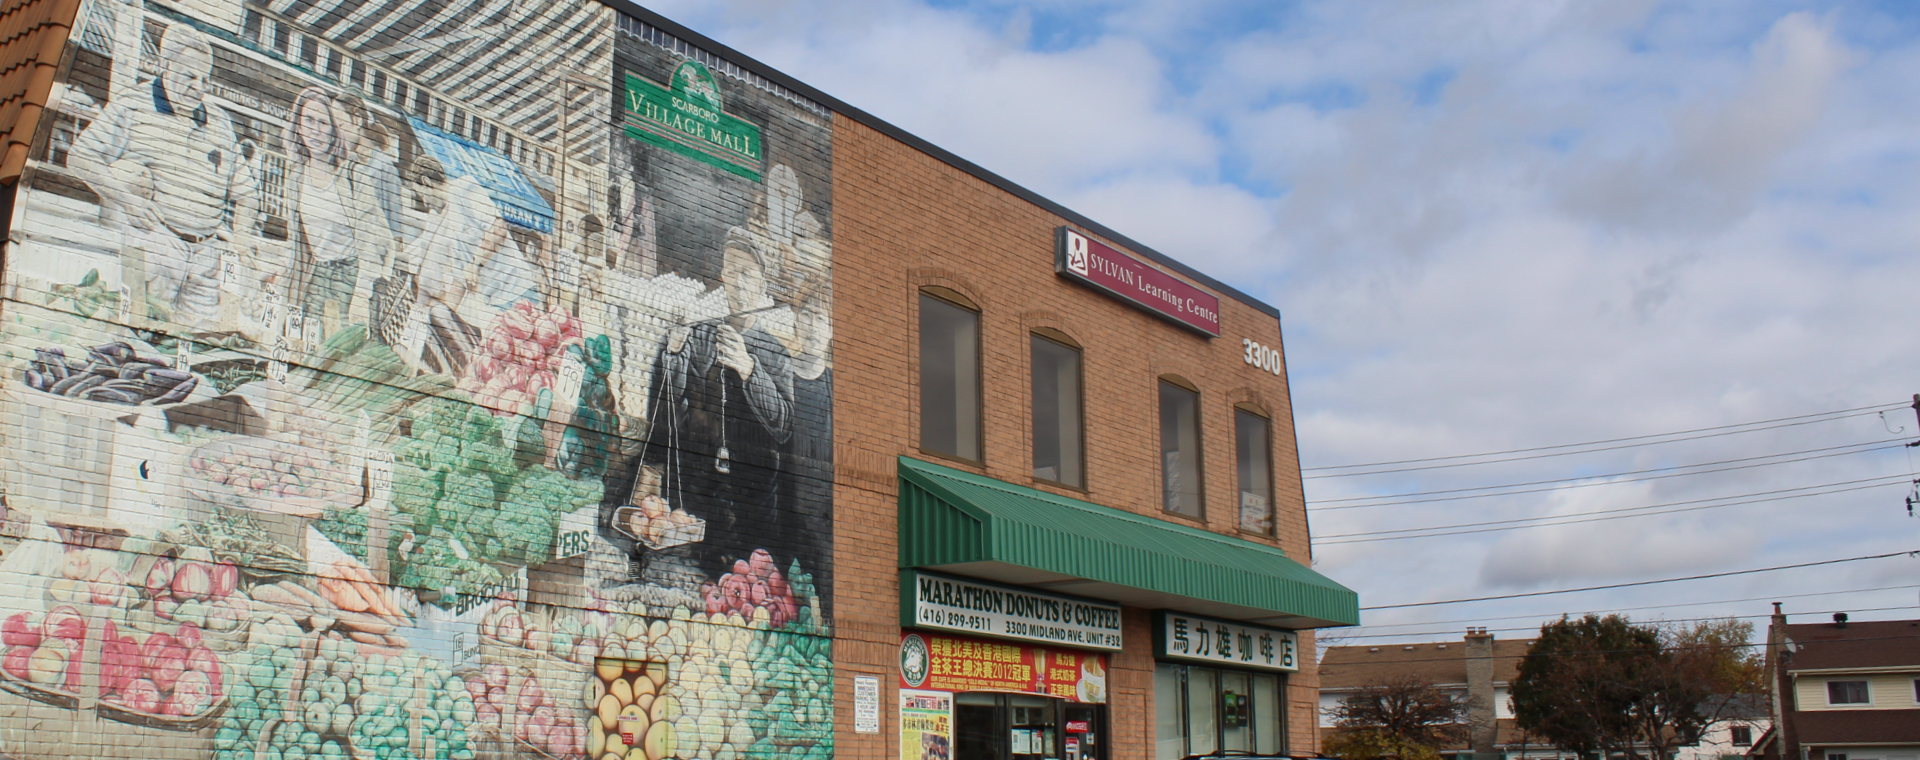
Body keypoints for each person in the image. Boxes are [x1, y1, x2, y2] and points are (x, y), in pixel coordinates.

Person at [608, 226, 795, 586]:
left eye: (747, 273)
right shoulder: (702, 335)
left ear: (761, 281)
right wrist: (675, 352)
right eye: (731, 270)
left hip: (752, 503)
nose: (738, 282)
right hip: (701, 497)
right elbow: (673, 415)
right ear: (721, 276)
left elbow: (784, 425)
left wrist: (750, 369)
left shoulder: (775, 352)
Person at [68, 24, 256, 328]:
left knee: (198, 341)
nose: (200, 87)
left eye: (205, 79)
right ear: (165, 65)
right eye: (190, 76)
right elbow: (80, 156)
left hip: (207, 254)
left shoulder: (220, 121)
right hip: (155, 242)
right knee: (142, 333)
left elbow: (246, 192)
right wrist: (129, 200)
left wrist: (242, 239)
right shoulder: (132, 105)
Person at [282, 87, 376, 338]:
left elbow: (370, 241)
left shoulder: (354, 175)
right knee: (310, 344)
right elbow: (297, 244)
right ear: (298, 126)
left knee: (341, 347)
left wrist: (361, 294)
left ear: (334, 129)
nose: (315, 130)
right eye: (308, 121)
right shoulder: (296, 177)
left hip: (349, 276)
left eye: (323, 122)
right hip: (316, 274)